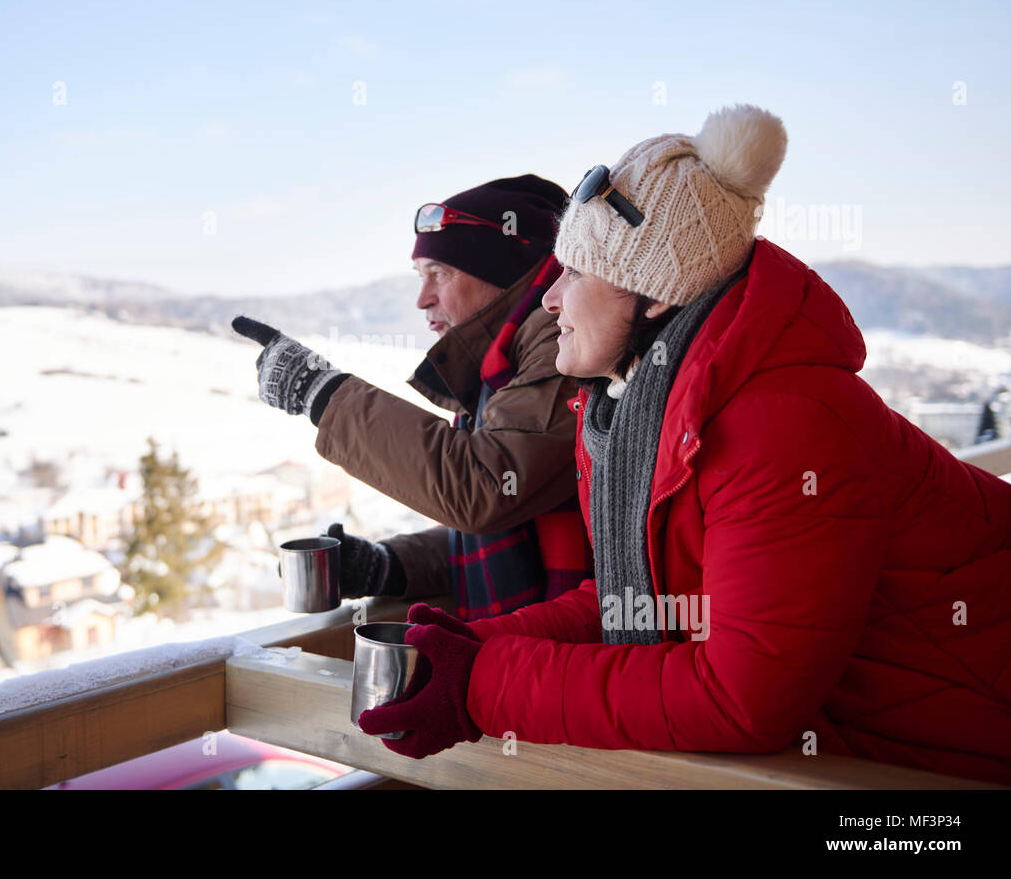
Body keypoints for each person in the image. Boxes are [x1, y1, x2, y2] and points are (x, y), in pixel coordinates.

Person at [357, 105, 1011, 786]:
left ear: (657, 297)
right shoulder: (636, 411)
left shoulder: (783, 422)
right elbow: (648, 602)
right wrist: (475, 646)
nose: (551, 299)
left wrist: (483, 685)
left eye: (577, 273)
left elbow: (741, 697)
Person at [232, 175, 590, 620]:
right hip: (532, 653)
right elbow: (503, 534)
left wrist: (320, 391)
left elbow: (487, 488)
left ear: (501, 268)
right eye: (421, 276)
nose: (422, 299)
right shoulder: (499, 365)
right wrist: (388, 567)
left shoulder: (562, 342)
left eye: (439, 273)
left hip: (563, 657)